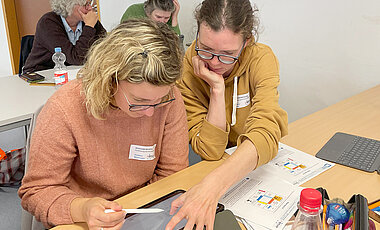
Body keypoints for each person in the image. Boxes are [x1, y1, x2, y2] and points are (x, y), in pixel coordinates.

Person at [18, 18, 188, 229]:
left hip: (144, 210)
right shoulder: (66, 108)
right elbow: (37, 191)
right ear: (110, 78)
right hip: (83, 218)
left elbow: (173, 174)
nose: (151, 112)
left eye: (159, 100)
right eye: (139, 102)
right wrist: (84, 209)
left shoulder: (169, 98)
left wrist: (137, 214)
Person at [166, 0, 288, 229]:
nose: (214, 63)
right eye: (206, 49)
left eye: (227, 54)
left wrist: (213, 185)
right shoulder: (187, 68)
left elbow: (267, 130)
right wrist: (217, 90)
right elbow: (210, 151)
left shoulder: (261, 58)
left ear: (246, 43)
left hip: (246, 170)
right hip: (220, 170)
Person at [23, 0, 106, 73]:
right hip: (41, 75)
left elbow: (107, 47)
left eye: (90, 3)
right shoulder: (48, 23)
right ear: (69, 6)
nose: (90, 8)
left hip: (72, 73)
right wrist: (89, 27)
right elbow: (76, 58)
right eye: (86, 4)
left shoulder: (90, 21)